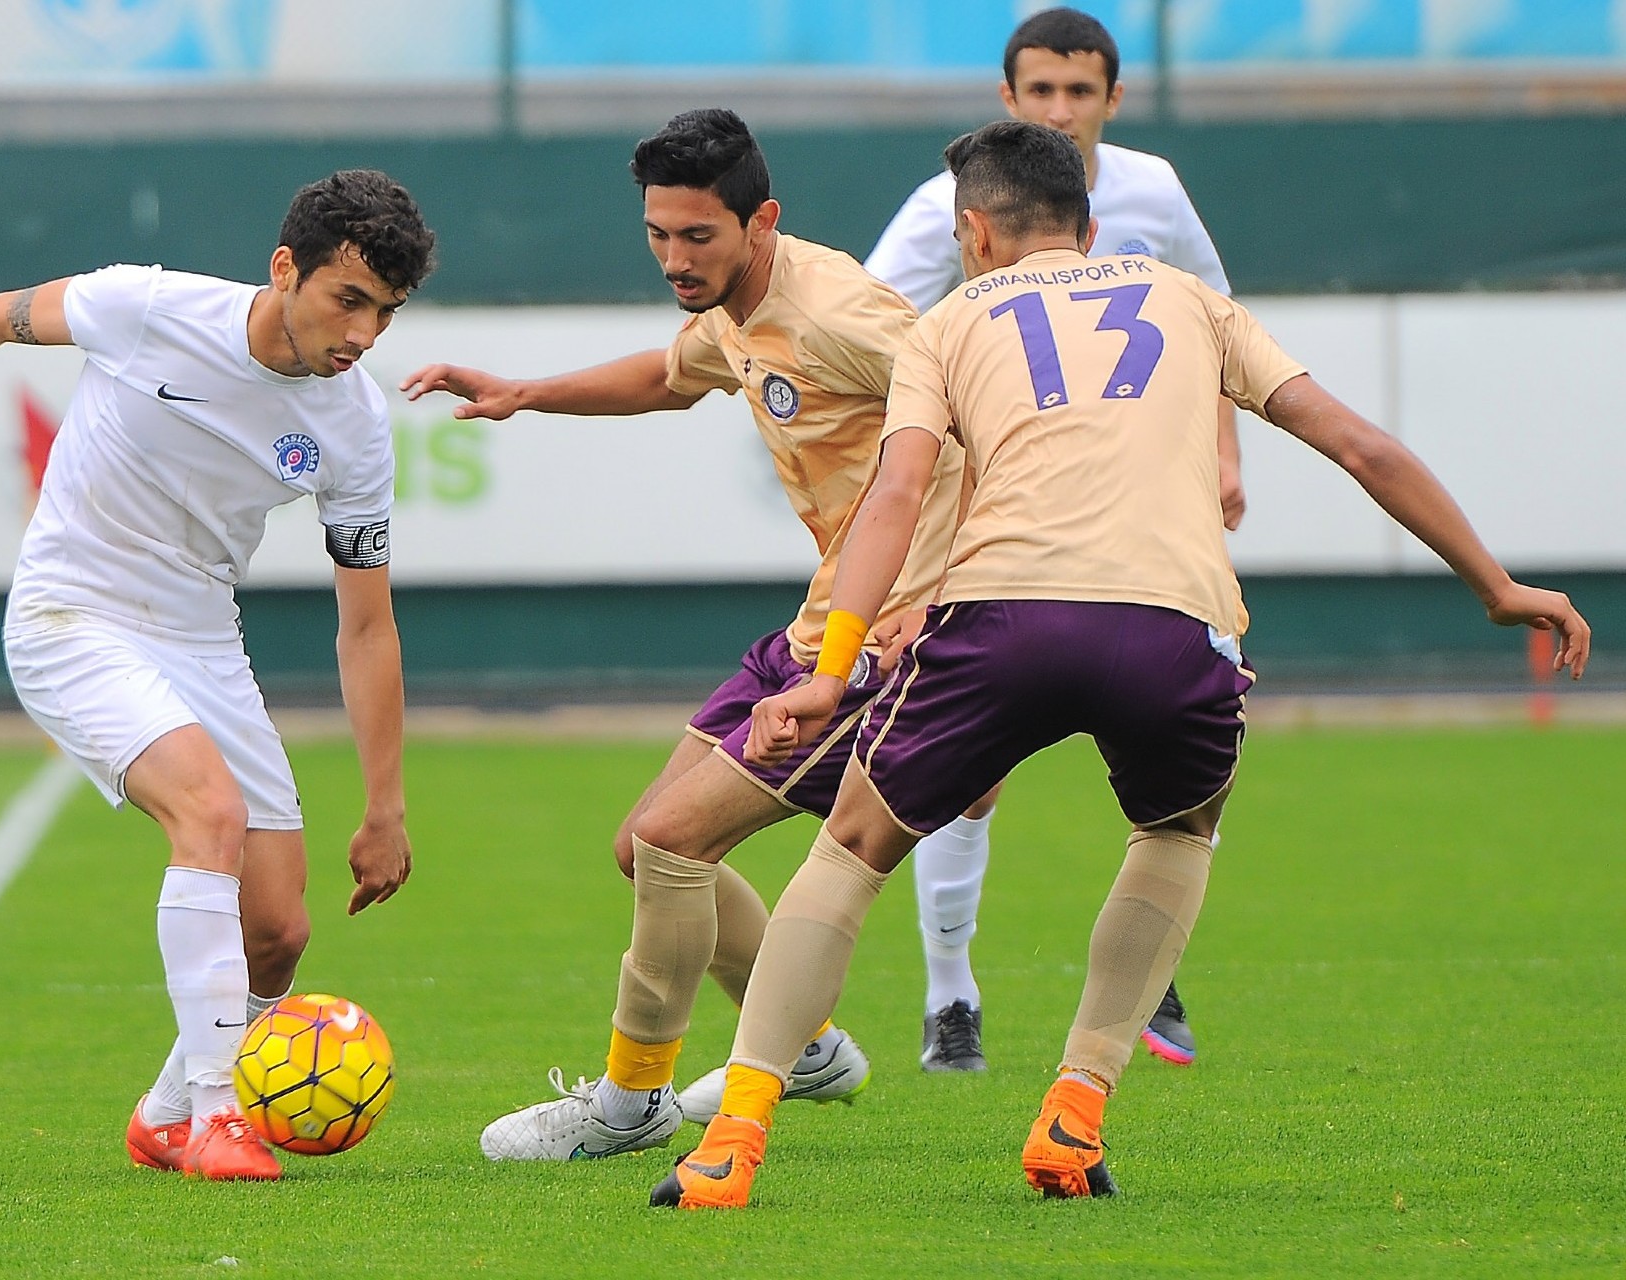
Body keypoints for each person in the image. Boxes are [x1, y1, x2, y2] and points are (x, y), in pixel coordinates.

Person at [650, 119, 1588, 1211]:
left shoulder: (950, 320)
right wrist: (1495, 585)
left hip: (1002, 621)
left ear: (975, 232)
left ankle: (732, 1141)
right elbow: (1359, 444)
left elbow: (895, 495)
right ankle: (1076, 1108)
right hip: (1171, 628)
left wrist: (830, 669)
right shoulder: (1190, 301)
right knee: (1178, 829)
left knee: (853, 849)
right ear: (1090, 230)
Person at [0, 170, 436, 1182]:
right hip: (73, 614)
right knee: (211, 815)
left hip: (202, 639)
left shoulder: (356, 425)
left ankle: (159, 1113)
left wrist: (385, 805)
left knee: (278, 929)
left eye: (386, 313)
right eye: (349, 299)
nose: (363, 333)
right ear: (286, 269)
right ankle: (212, 1113)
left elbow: (366, 627)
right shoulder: (147, 306)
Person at [400, 107, 969, 1160]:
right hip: (815, 627)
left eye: (697, 235)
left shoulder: (841, 310)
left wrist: (934, 599)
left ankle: (631, 1102)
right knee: (646, 845)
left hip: (888, 647)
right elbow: (671, 377)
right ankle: (803, 1047)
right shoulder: (734, 309)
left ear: (763, 222)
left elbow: (991, 425)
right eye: (658, 234)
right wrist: (528, 394)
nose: (673, 257)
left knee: (673, 840)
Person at [866, 5, 1236, 1071]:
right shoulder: (957, 199)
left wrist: (1224, 456)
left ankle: (1151, 967)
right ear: (1008, 98)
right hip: (998, 508)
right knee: (969, 770)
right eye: (1042, 90)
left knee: (1173, 739)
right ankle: (951, 995)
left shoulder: (1152, 192)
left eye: (1082, 91)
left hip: (1145, 507)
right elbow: (877, 312)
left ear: (1114, 100)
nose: (1061, 109)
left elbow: (1214, 317)